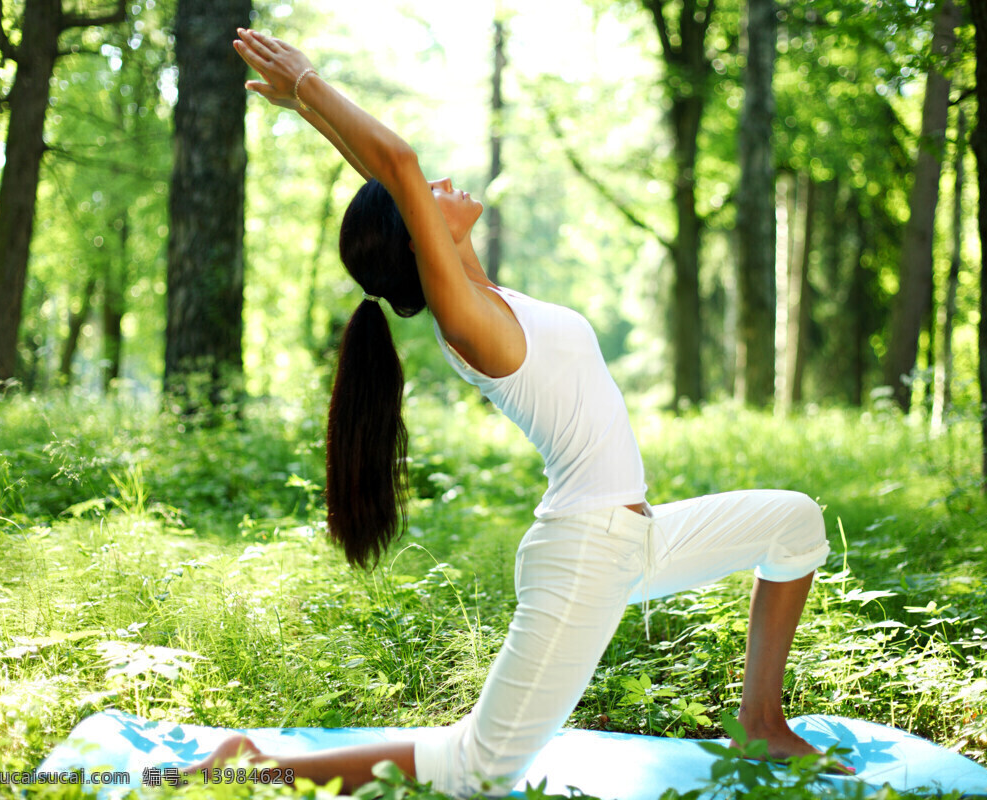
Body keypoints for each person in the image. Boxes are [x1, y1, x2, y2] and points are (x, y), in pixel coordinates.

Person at [187, 27, 845, 796]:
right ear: (422, 241)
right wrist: (309, 84)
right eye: (424, 203)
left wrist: (314, 118)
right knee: (477, 774)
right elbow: (398, 166)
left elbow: (389, 177)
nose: (437, 187)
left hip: (633, 534)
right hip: (586, 554)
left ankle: (762, 723)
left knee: (793, 523)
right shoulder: (465, 318)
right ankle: (253, 765)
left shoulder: (476, 290)